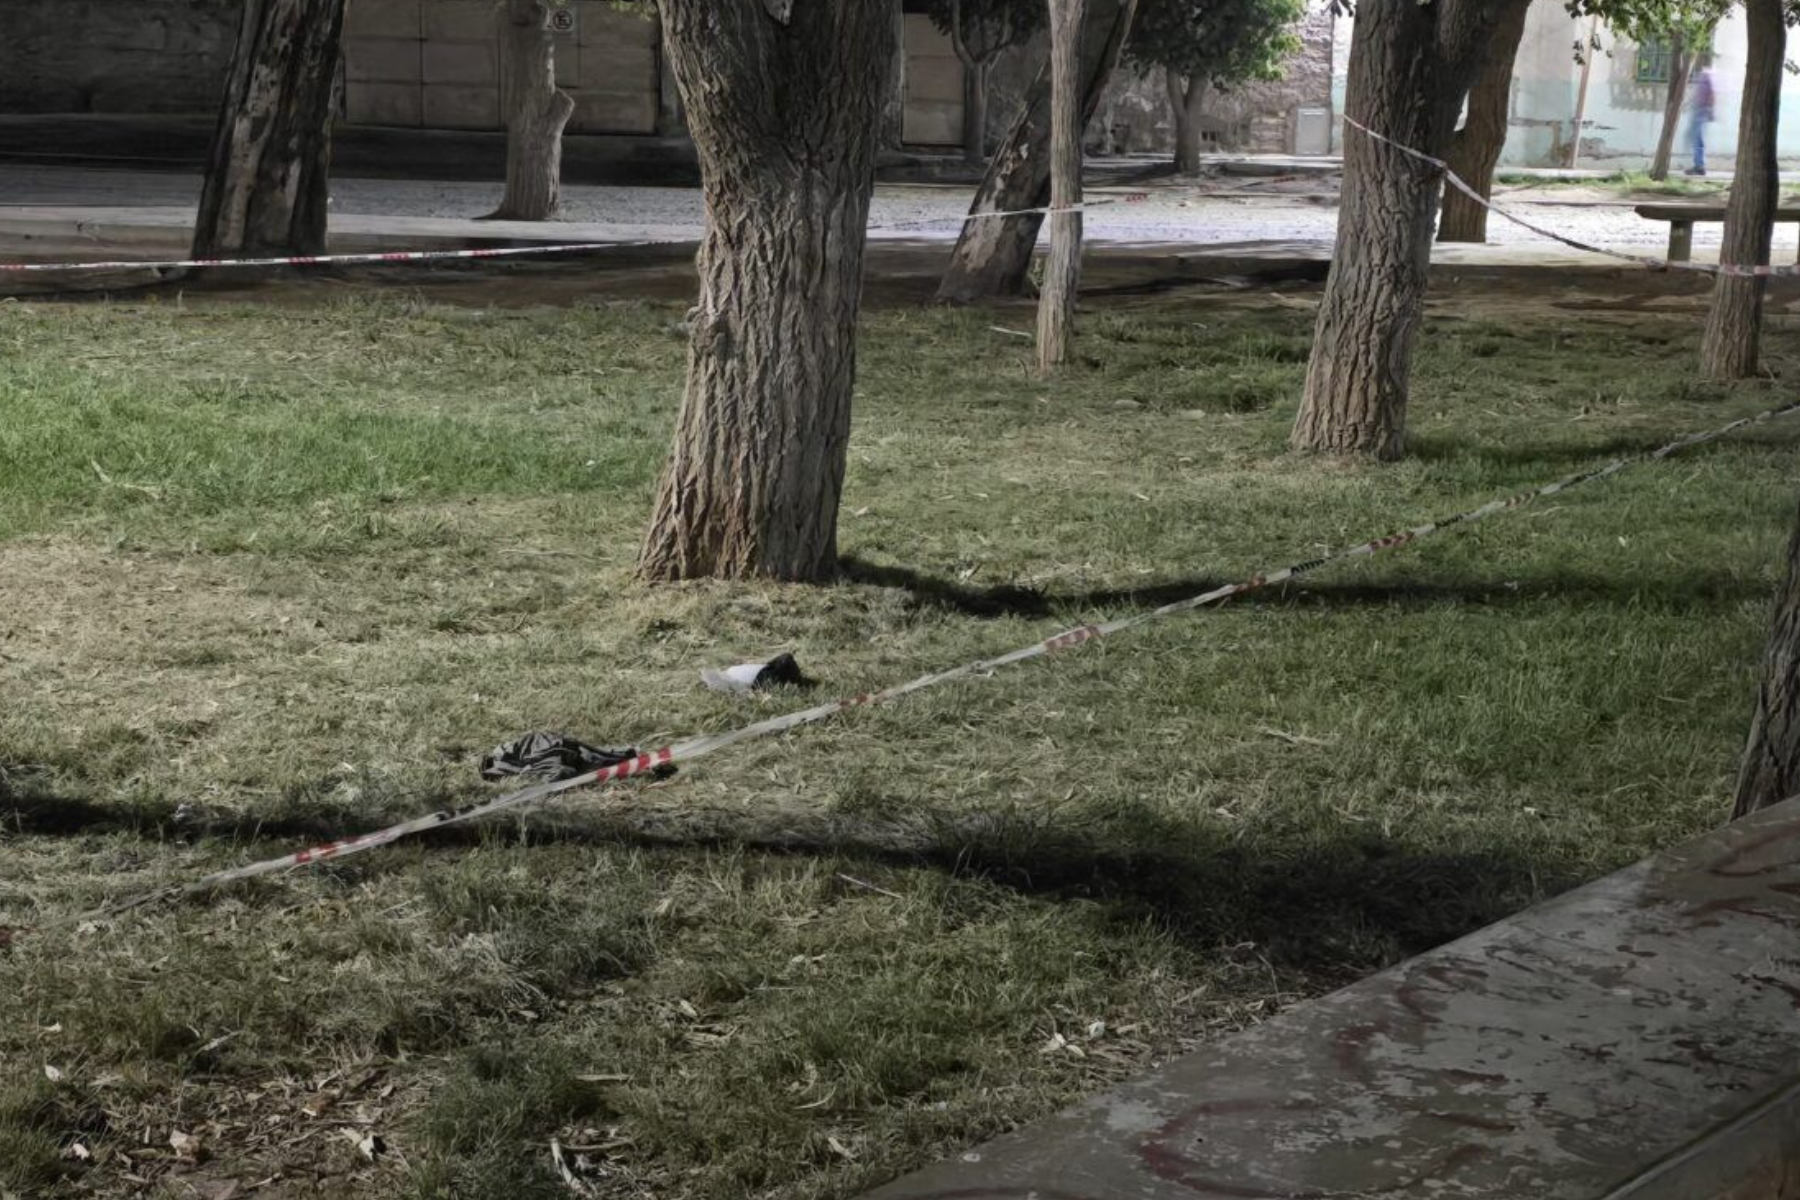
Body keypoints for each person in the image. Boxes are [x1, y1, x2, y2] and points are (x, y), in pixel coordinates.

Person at [1687, 56, 1716, 177]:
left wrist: (1710, 111)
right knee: (1696, 138)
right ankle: (1698, 165)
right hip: (1700, 110)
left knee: (1697, 139)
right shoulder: (1703, 75)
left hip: (1702, 111)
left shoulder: (1707, 75)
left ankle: (1699, 166)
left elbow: (1712, 94)